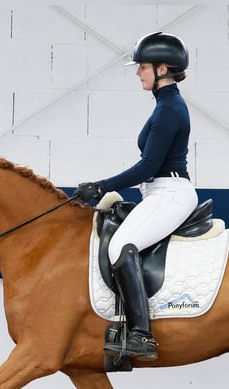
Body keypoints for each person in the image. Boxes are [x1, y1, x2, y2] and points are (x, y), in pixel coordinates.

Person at [74, 31, 198, 362]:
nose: (137, 73)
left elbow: (148, 166)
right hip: (159, 192)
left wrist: (101, 186)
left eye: (142, 66)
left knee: (120, 247)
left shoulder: (170, 108)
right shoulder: (165, 105)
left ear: (163, 68)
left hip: (170, 193)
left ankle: (141, 333)